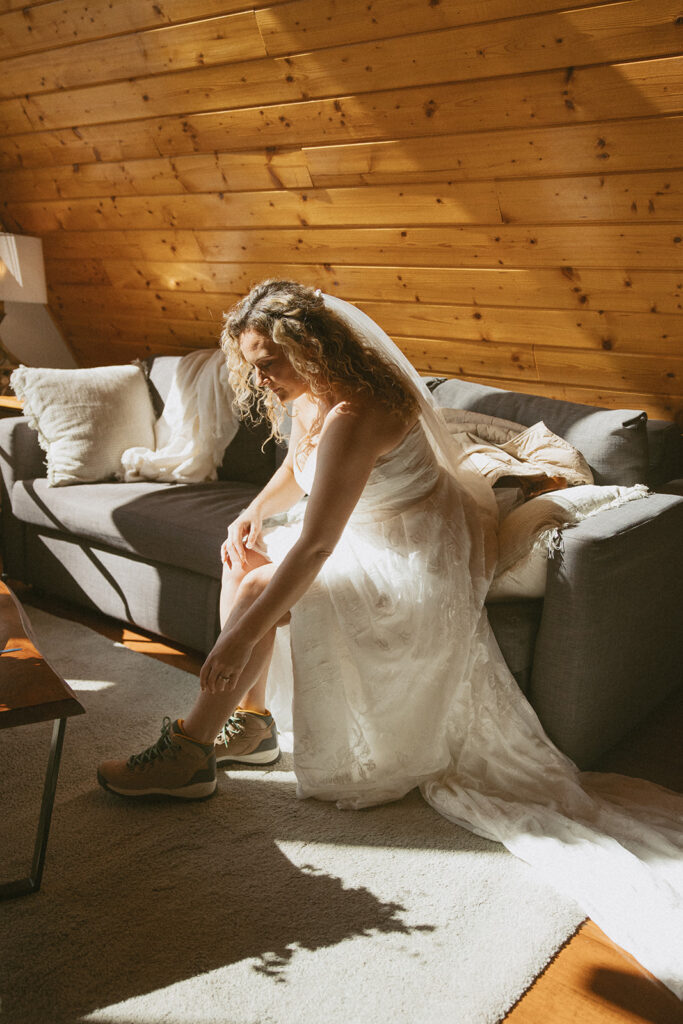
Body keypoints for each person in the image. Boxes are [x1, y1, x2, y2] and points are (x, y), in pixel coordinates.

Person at [98, 280, 683, 997]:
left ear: (313, 349)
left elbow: (315, 547)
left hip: (409, 556)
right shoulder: (312, 397)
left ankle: (191, 750)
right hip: (362, 531)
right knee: (244, 560)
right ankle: (246, 723)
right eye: (250, 363)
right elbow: (295, 469)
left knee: (254, 593)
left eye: (269, 362)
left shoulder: (360, 409)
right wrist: (247, 514)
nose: (259, 378)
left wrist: (234, 639)